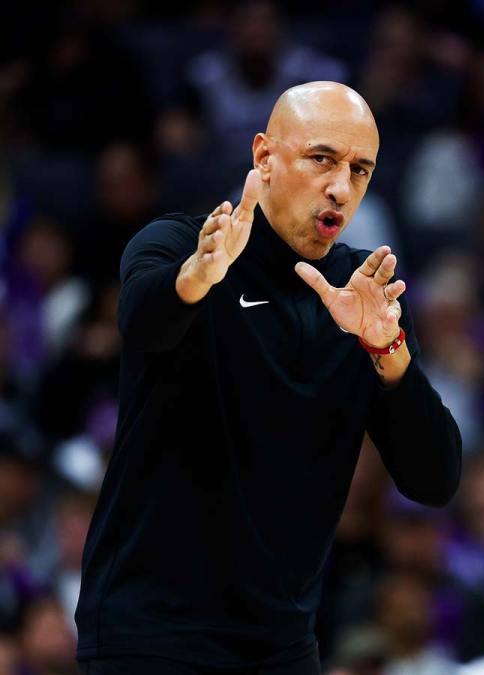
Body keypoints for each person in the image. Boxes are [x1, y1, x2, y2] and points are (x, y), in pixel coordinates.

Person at [74, 81, 462, 674]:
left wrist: (387, 346)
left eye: (361, 170)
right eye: (322, 159)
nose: (340, 186)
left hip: (280, 645)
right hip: (149, 629)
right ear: (263, 157)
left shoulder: (361, 294)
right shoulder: (182, 244)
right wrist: (197, 278)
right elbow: (143, 323)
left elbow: (434, 479)